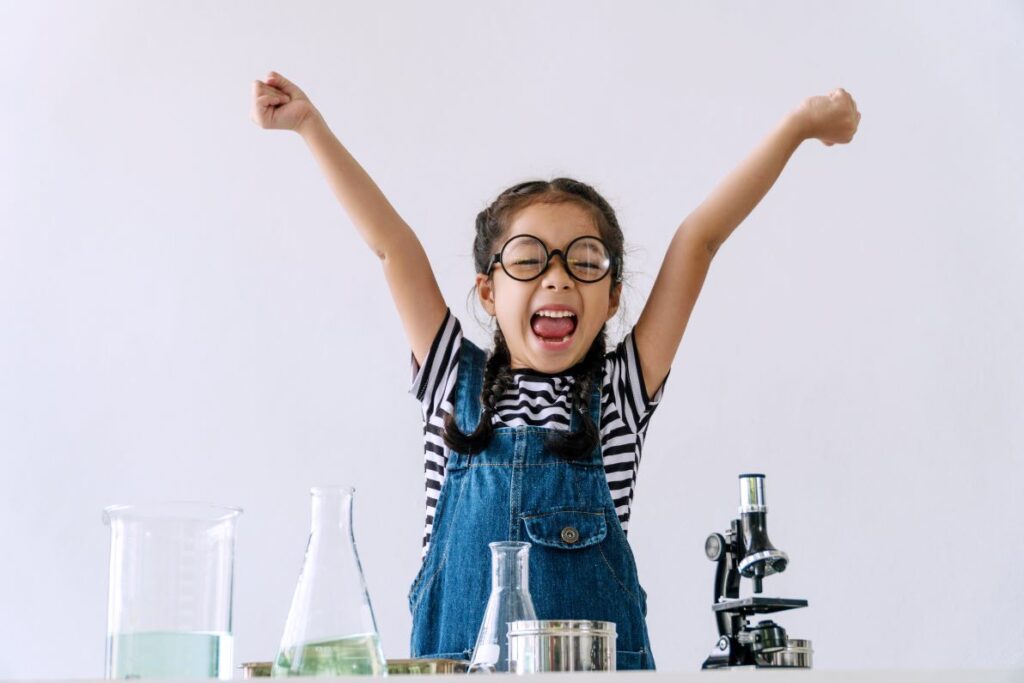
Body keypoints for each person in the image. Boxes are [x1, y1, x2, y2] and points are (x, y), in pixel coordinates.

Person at [250, 71, 860, 670]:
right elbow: (392, 245)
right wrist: (310, 126)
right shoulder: (448, 381)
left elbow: (698, 240)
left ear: (614, 296)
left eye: (585, 260)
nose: (558, 275)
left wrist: (797, 126)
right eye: (529, 258)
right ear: (488, 291)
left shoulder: (620, 396)